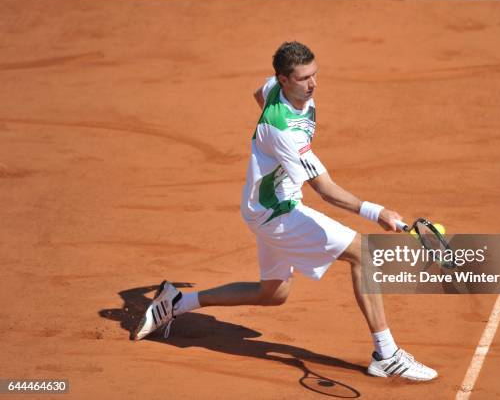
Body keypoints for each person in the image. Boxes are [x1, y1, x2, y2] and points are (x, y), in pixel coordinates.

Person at [134, 41, 437, 381]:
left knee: (272, 293)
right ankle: (387, 354)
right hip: (278, 212)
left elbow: (257, 93)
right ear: (284, 79)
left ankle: (177, 303)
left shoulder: (276, 90)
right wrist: (375, 211)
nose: (312, 84)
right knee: (363, 255)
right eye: (304, 78)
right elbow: (325, 189)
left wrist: (271, 152)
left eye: (315, 75)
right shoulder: (284, 130)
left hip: (261, 207)